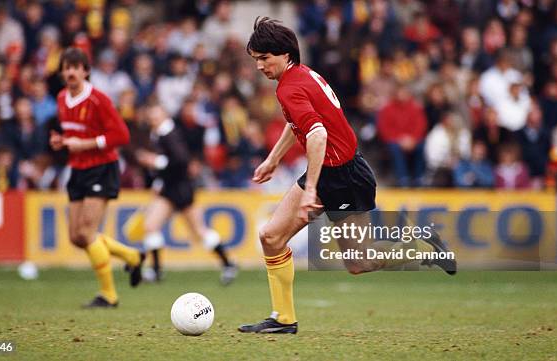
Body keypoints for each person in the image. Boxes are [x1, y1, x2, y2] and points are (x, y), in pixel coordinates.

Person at [238, 17, 456, 335]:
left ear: (284, 54)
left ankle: (425, 247)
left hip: (343, 176)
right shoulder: (299, 77)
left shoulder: (290, 87)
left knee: (359, 263)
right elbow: (298, 122)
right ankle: (283, 319)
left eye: (264, 58)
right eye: (255, 59)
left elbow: (317, 135)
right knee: (271, 237)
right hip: (333, 170)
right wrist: (273, 158)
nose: (259, 66)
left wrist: (311, 189)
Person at [50, 47, 144, 309]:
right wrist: (62, 141)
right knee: (76, 237)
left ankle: (109, 295)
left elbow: (121, 136)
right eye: (66, 67)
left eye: (75, 67)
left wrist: (87, 143)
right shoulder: (61, 99)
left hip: (102, 168)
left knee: (87, 232)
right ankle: (132, 256)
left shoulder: (98, 99)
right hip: (77, 168)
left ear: (86, 71)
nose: (70, 72)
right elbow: (74, 135)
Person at [124, 103, 238, 285]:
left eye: (156, 115)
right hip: (170, 189)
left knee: (199, 231)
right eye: (151, 115)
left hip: (180, 190)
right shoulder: (161, 133)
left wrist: (156, 162)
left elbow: (181, 160)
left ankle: (228, 264)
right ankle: (156, 270)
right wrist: (159, 181)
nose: (153, 118)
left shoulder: (170, 134)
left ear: (164, 115)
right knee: (151, 226)